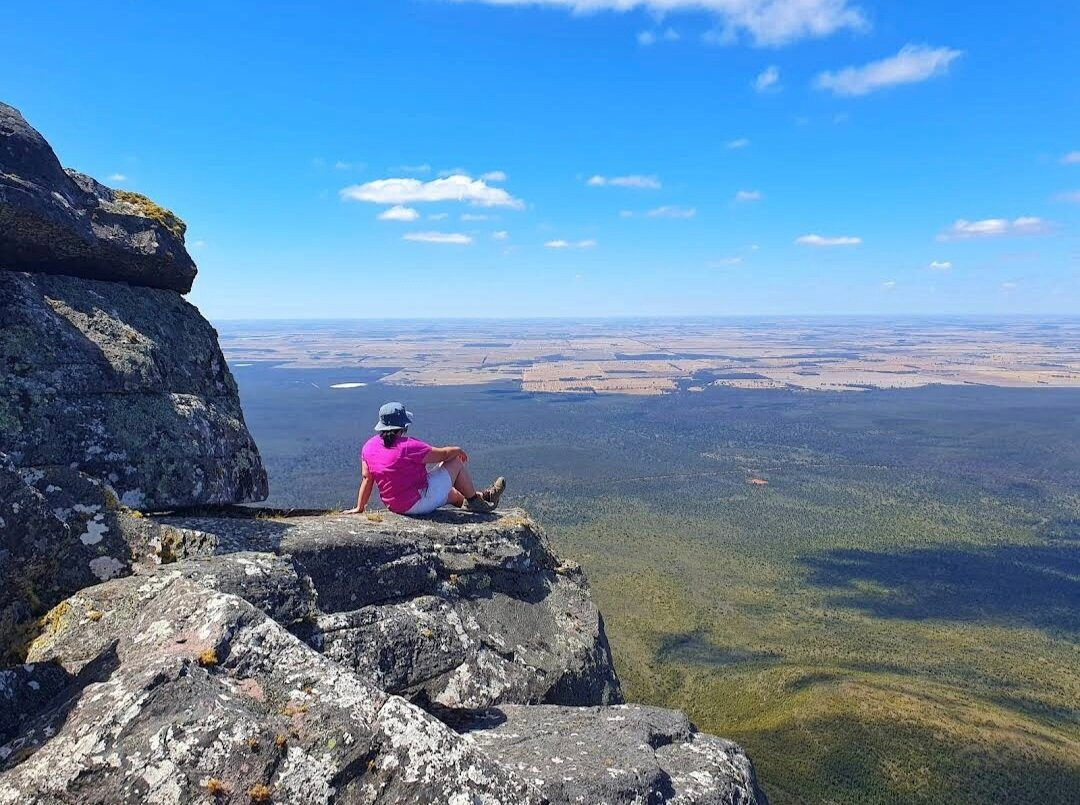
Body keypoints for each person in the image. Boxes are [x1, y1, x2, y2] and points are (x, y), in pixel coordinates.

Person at [343, 402, 505, 516]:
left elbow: (367, 479)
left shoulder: (369, 446)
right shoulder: (408, 446)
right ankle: (475, 502)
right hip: (417, 502)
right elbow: (444, 455)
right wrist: (458, 450)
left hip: (394, 504)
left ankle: (484, 497)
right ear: (403, 426)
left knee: (452, 494)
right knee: (454, 462)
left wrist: (360, 507)